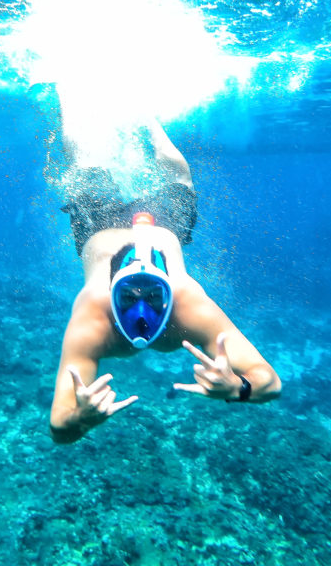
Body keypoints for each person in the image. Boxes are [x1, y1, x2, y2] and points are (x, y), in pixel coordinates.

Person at [49, 120, 282, 444]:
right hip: (113, 227)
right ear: (111, 292)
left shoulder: (189, 305)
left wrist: (238, 388)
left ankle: (147, 116)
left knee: (124, 170)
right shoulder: (93, 317)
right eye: (129, 298)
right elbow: (59, 425)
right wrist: (79, 419)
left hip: (143, 225)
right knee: (92, 163)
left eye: (155, 298)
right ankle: (70, 94)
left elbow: (270, 382)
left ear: (169, 289)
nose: (142, 313)